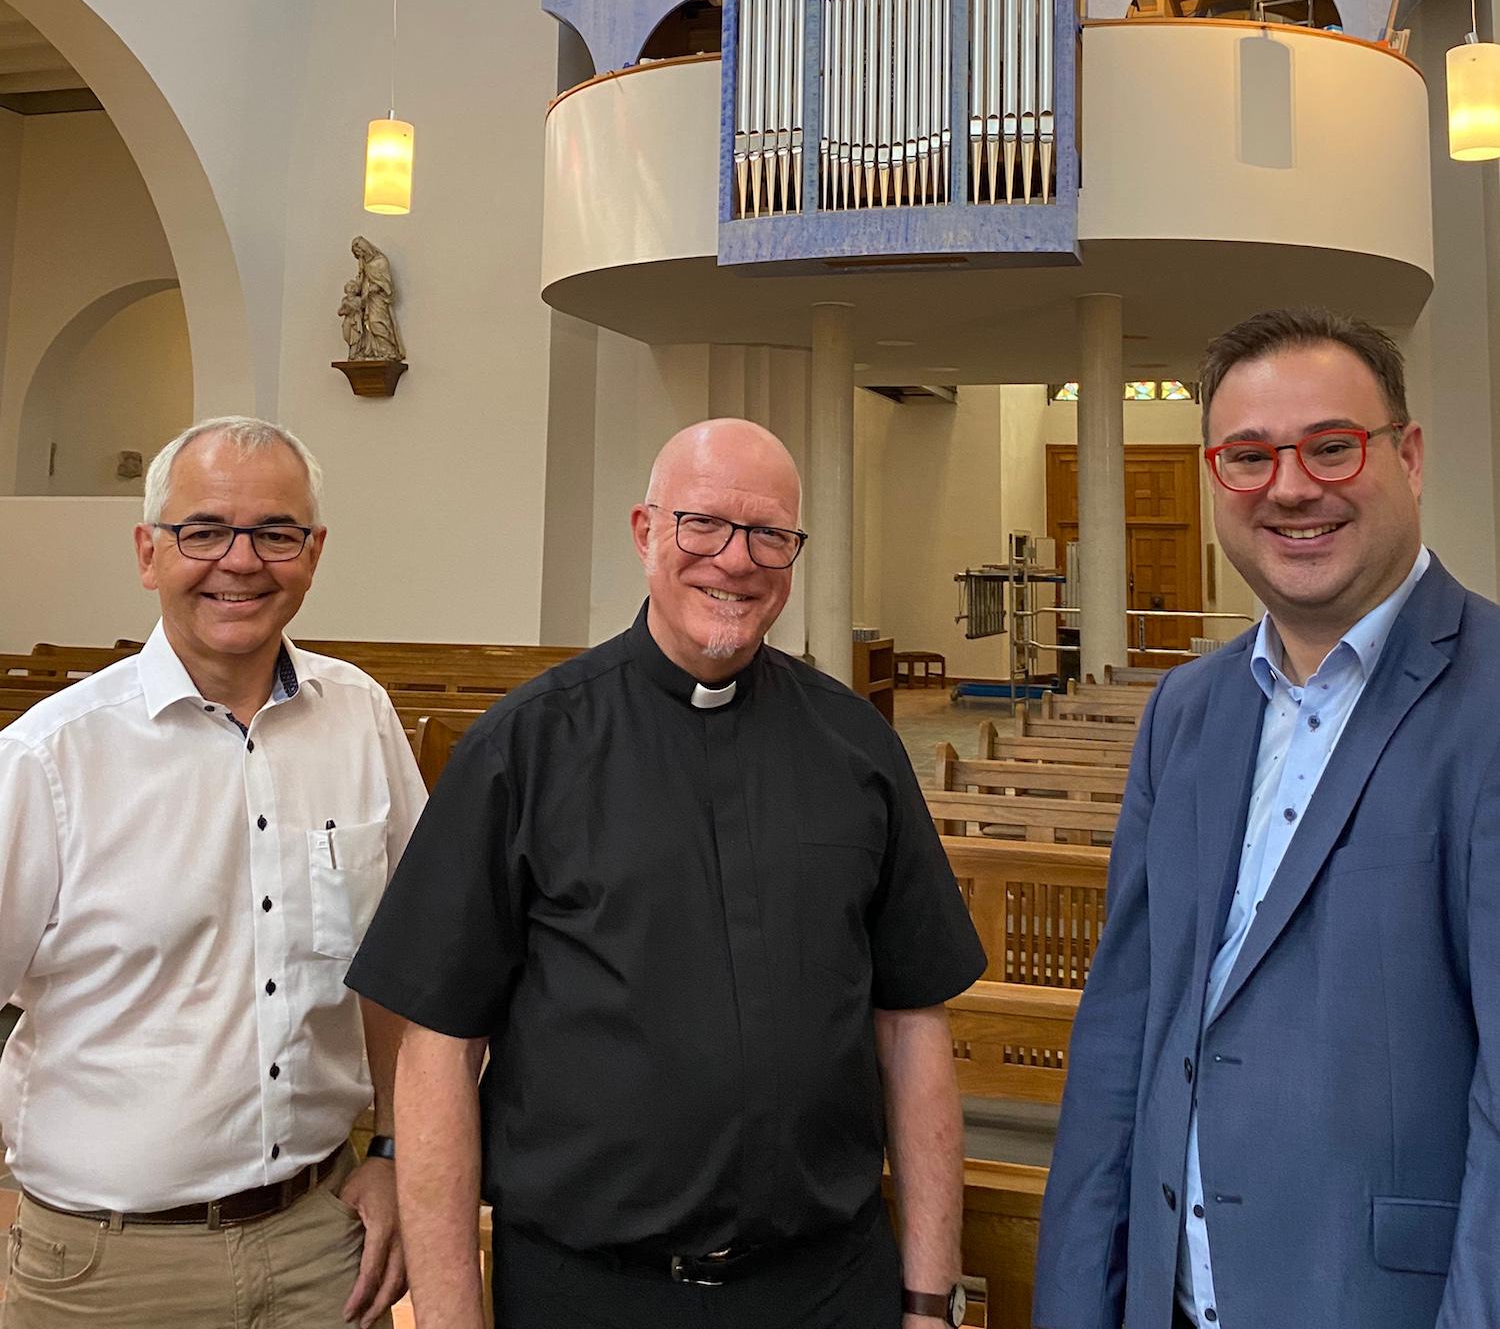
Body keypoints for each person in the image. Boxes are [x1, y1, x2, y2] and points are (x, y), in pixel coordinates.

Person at [348, 417, 985, 1329]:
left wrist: (930, 1299)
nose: (736, 559)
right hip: (589, 1291)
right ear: (646, 532)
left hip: (827, 1286)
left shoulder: (858, 748)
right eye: (704, 525)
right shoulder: (523, 749)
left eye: (770, 534)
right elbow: (439, 1050)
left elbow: (912, 1024)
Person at [1033, 309, 1500, 1329]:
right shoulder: (1186, 712)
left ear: (1409, 456)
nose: (1290, 486)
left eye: (1331, 445)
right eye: (1248, 455)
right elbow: (1123, 1038)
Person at [0, 417, 428, 1329]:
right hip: (106, 1268)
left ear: (312, 554)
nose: (241, 561)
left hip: (324, 1243)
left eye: (276, 532)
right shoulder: (48, 760)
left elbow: (404, 967)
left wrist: (394, 1151)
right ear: (149, 552)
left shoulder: (360, 718)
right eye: (204, 531)